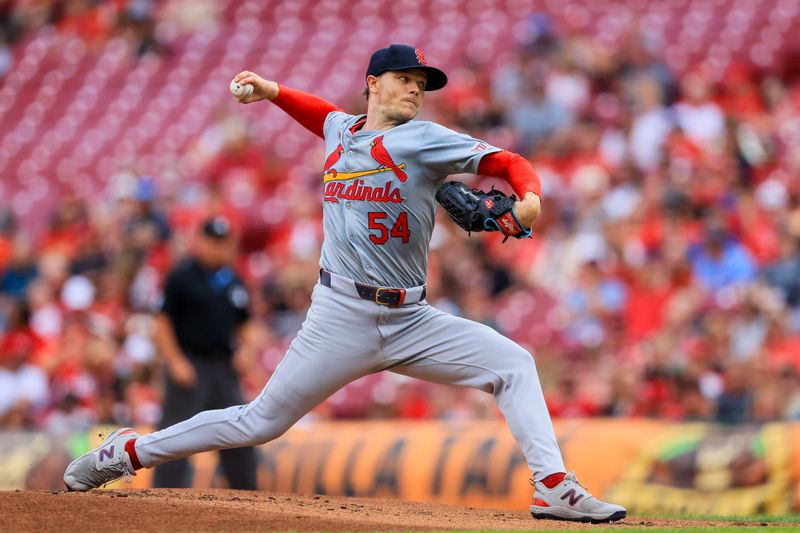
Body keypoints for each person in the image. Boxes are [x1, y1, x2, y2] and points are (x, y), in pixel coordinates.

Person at [64, 44, 626, 523]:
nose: (414, 91)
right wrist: (273, 90)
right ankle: (129, 451)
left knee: (514, 363)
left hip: (411, 318)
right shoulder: (341, 129)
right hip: (340, 314)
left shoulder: (425, 139)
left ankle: (552, 486)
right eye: (404, 80)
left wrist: (529, 198)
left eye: (421, 84)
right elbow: (323, 116)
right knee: (258, 422)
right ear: (372, 84)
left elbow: (507, 160)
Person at [152, 216, 256, 489]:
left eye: (222, 242)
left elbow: (244, 324)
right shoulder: (182, 276)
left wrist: (246, 351)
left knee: (238, 431)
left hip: (223, 367)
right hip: (190, 363)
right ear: (200, 241)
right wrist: (175, 361)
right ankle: (164, 498)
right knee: (176, 432)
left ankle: (247, 497)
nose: (217, 248)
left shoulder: (233, 280)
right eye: (212, 241)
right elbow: (162, 322)